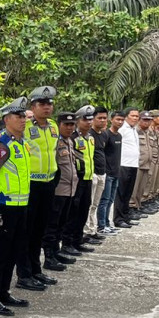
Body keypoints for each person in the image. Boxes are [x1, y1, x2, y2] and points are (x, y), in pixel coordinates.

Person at [0, 99, 36, 307]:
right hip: (4, 206)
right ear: (6, 120)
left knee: (13, 251)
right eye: (18, 116)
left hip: (20, 206)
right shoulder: (3, 146)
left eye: (24, 116)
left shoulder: (22, 144)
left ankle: (4, 293)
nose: (23, 120)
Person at [19, 86, 61, 282]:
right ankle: (24, 274)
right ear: (33, 107)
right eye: (42, 104)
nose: (46, 108)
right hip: (31, 184)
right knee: (26, 231)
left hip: (48, 183)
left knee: (40, 230)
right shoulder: (25, 126)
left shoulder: (53, 126)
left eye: (49, 104)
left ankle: (36, 270)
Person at [42, 113, 79, 269]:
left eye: (72, 125)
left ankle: (56, 252)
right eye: (66, 125)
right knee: (52, 225)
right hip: (58, 190)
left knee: (62, 223)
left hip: (70, 189)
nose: (70, 128)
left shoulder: (69, 141)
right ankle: (49, 257)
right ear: (58, 125)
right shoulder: (55, 142)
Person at [64, 107, 97, 255]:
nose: (89, 122)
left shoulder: (90, 138)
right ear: (78, 121)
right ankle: (67, 243)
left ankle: (77, 240)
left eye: (90, 119)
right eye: (85, 119)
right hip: (77, 180)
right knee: (73, 213)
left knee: (84, 210)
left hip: (88, 179)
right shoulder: (73, 138)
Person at [96, 108, 124, 234]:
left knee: (111, 200)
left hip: (116, 173)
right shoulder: (106, 135)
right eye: (118, 119)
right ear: (111, 120)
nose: (120, 122)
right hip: (107, 173)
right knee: (104, 200)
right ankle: (101, 225)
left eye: (122, 120)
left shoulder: (119, 136)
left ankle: (107, 223)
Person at [113, 109, 142, 228]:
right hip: (123, 164)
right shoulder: (122, 129)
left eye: (137, 116)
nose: (135, 118)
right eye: (133, 116)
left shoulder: (134, 129)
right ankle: (118, 219)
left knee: (128, 192)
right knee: (121, 192)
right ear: (126, 117)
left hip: (133, 164)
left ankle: (126, 216)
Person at [86, 107, 110, 239]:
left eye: (104, 118)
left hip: (102, 172)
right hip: (92, 173)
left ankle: (92, 230)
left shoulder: (104, 134)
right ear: (93, 119)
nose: (102, 120)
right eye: (99, 118)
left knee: (95, 204)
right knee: (89, 204)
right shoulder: (89, 134)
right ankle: (86, 232)